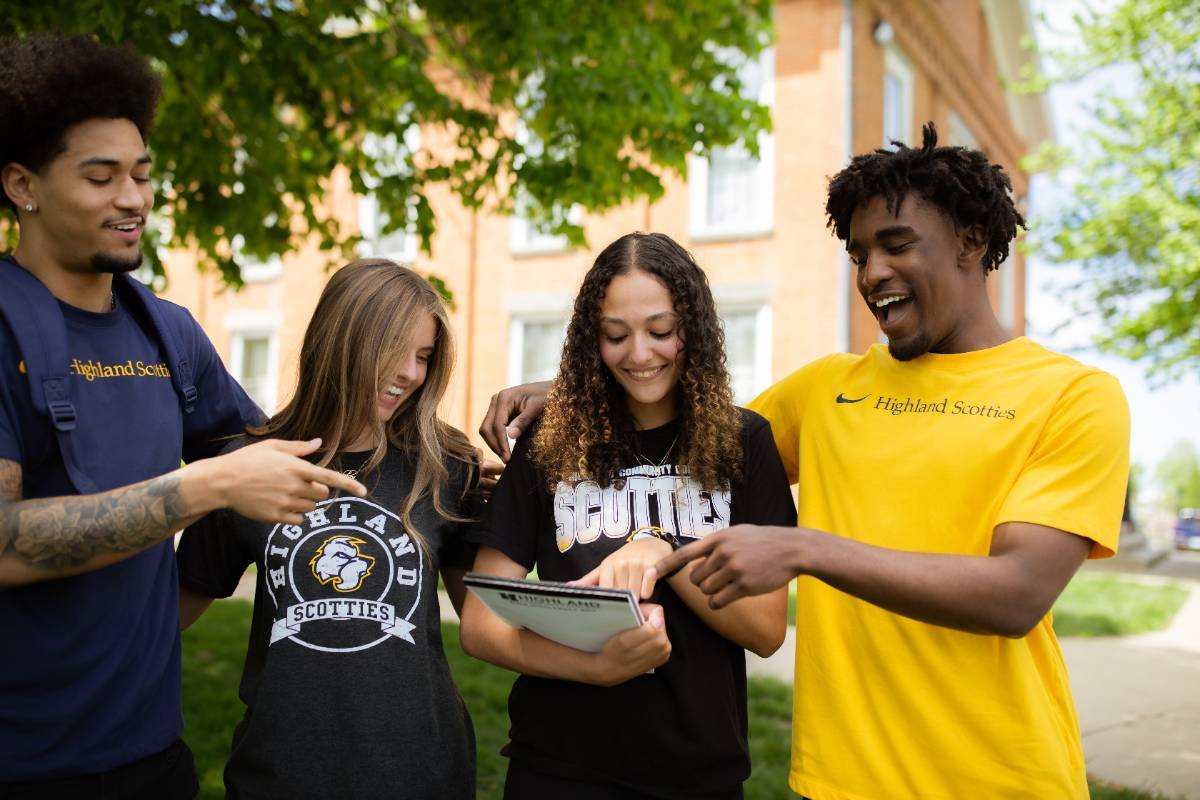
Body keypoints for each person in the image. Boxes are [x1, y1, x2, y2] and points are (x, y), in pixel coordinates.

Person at [482, 125, 1130, 799]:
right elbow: (676, 418)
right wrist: (574, 388)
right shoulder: (827, 389)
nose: (871, 272)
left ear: (971, 240)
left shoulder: (1074, 397)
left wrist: (805, 549)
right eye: (859, 254)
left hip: (1004, 778)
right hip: (837, 780)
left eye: (896, 244)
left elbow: (1018, 594)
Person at [0, 34, 364, 798]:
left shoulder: (168, 334)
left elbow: (296, 447)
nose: (133, 198)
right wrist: (203, 488)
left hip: (151, 755)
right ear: (21, 184)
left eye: (141, 174)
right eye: (100, 177)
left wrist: (512, 423)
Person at [460, 232, 796, 800]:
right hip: (558, 768)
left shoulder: (744, 441)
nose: (640, 355)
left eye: (662, 332)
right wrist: (596, 667)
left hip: (696, 774)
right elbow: (479, 623)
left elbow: (764, 630)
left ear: (695, 328)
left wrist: (666, 552)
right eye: (616, 336)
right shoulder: (551, 440)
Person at [176, 258, 482, 800]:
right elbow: (166, 617)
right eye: (396, 351)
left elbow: (490, 628)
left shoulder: (447, 465)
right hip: (281, 775)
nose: (412, 373)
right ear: (343, 340)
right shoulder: (251, 461)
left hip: (422, 774)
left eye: (425, 357)